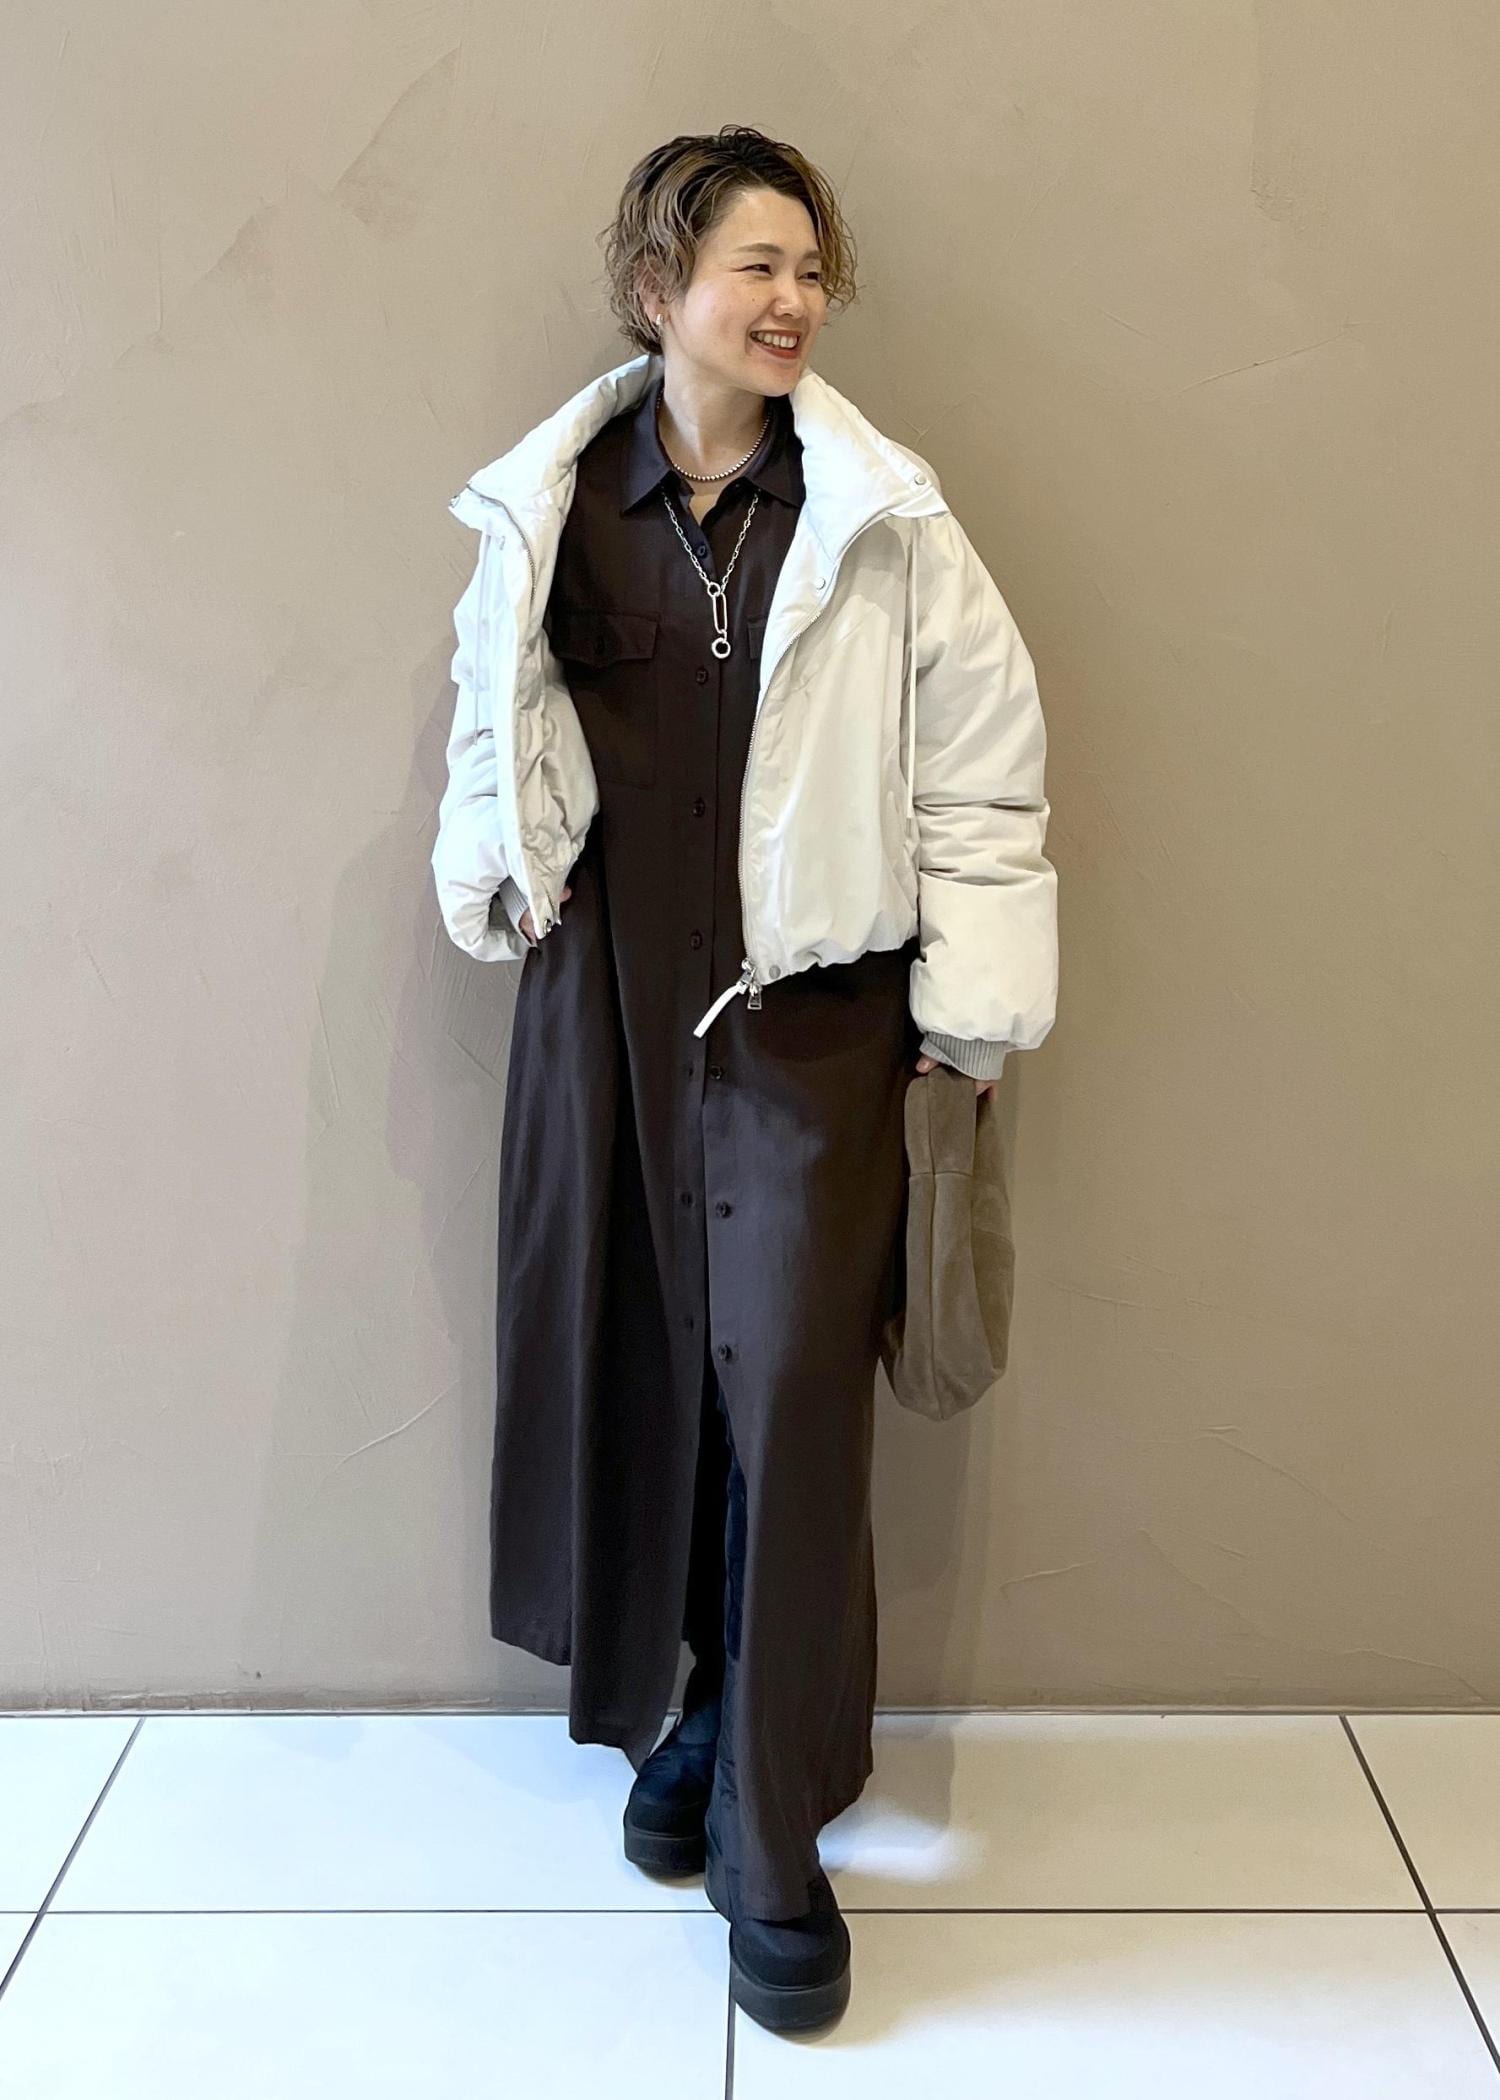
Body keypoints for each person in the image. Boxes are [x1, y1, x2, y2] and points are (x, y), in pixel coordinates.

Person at [431, 124, 1058, 2034]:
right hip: (608, 1015)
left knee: (790, 1401)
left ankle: (774, 1835)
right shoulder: (557, 507)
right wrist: (497, 871)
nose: (792, 301)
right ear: (660, 289)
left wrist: (970, 1016)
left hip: (813, 1024)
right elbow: (490, 726)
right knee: (641, 1369)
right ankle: (693, 1719)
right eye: (754, 266)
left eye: (809, 268)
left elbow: (984, 775)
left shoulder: (884, 520)